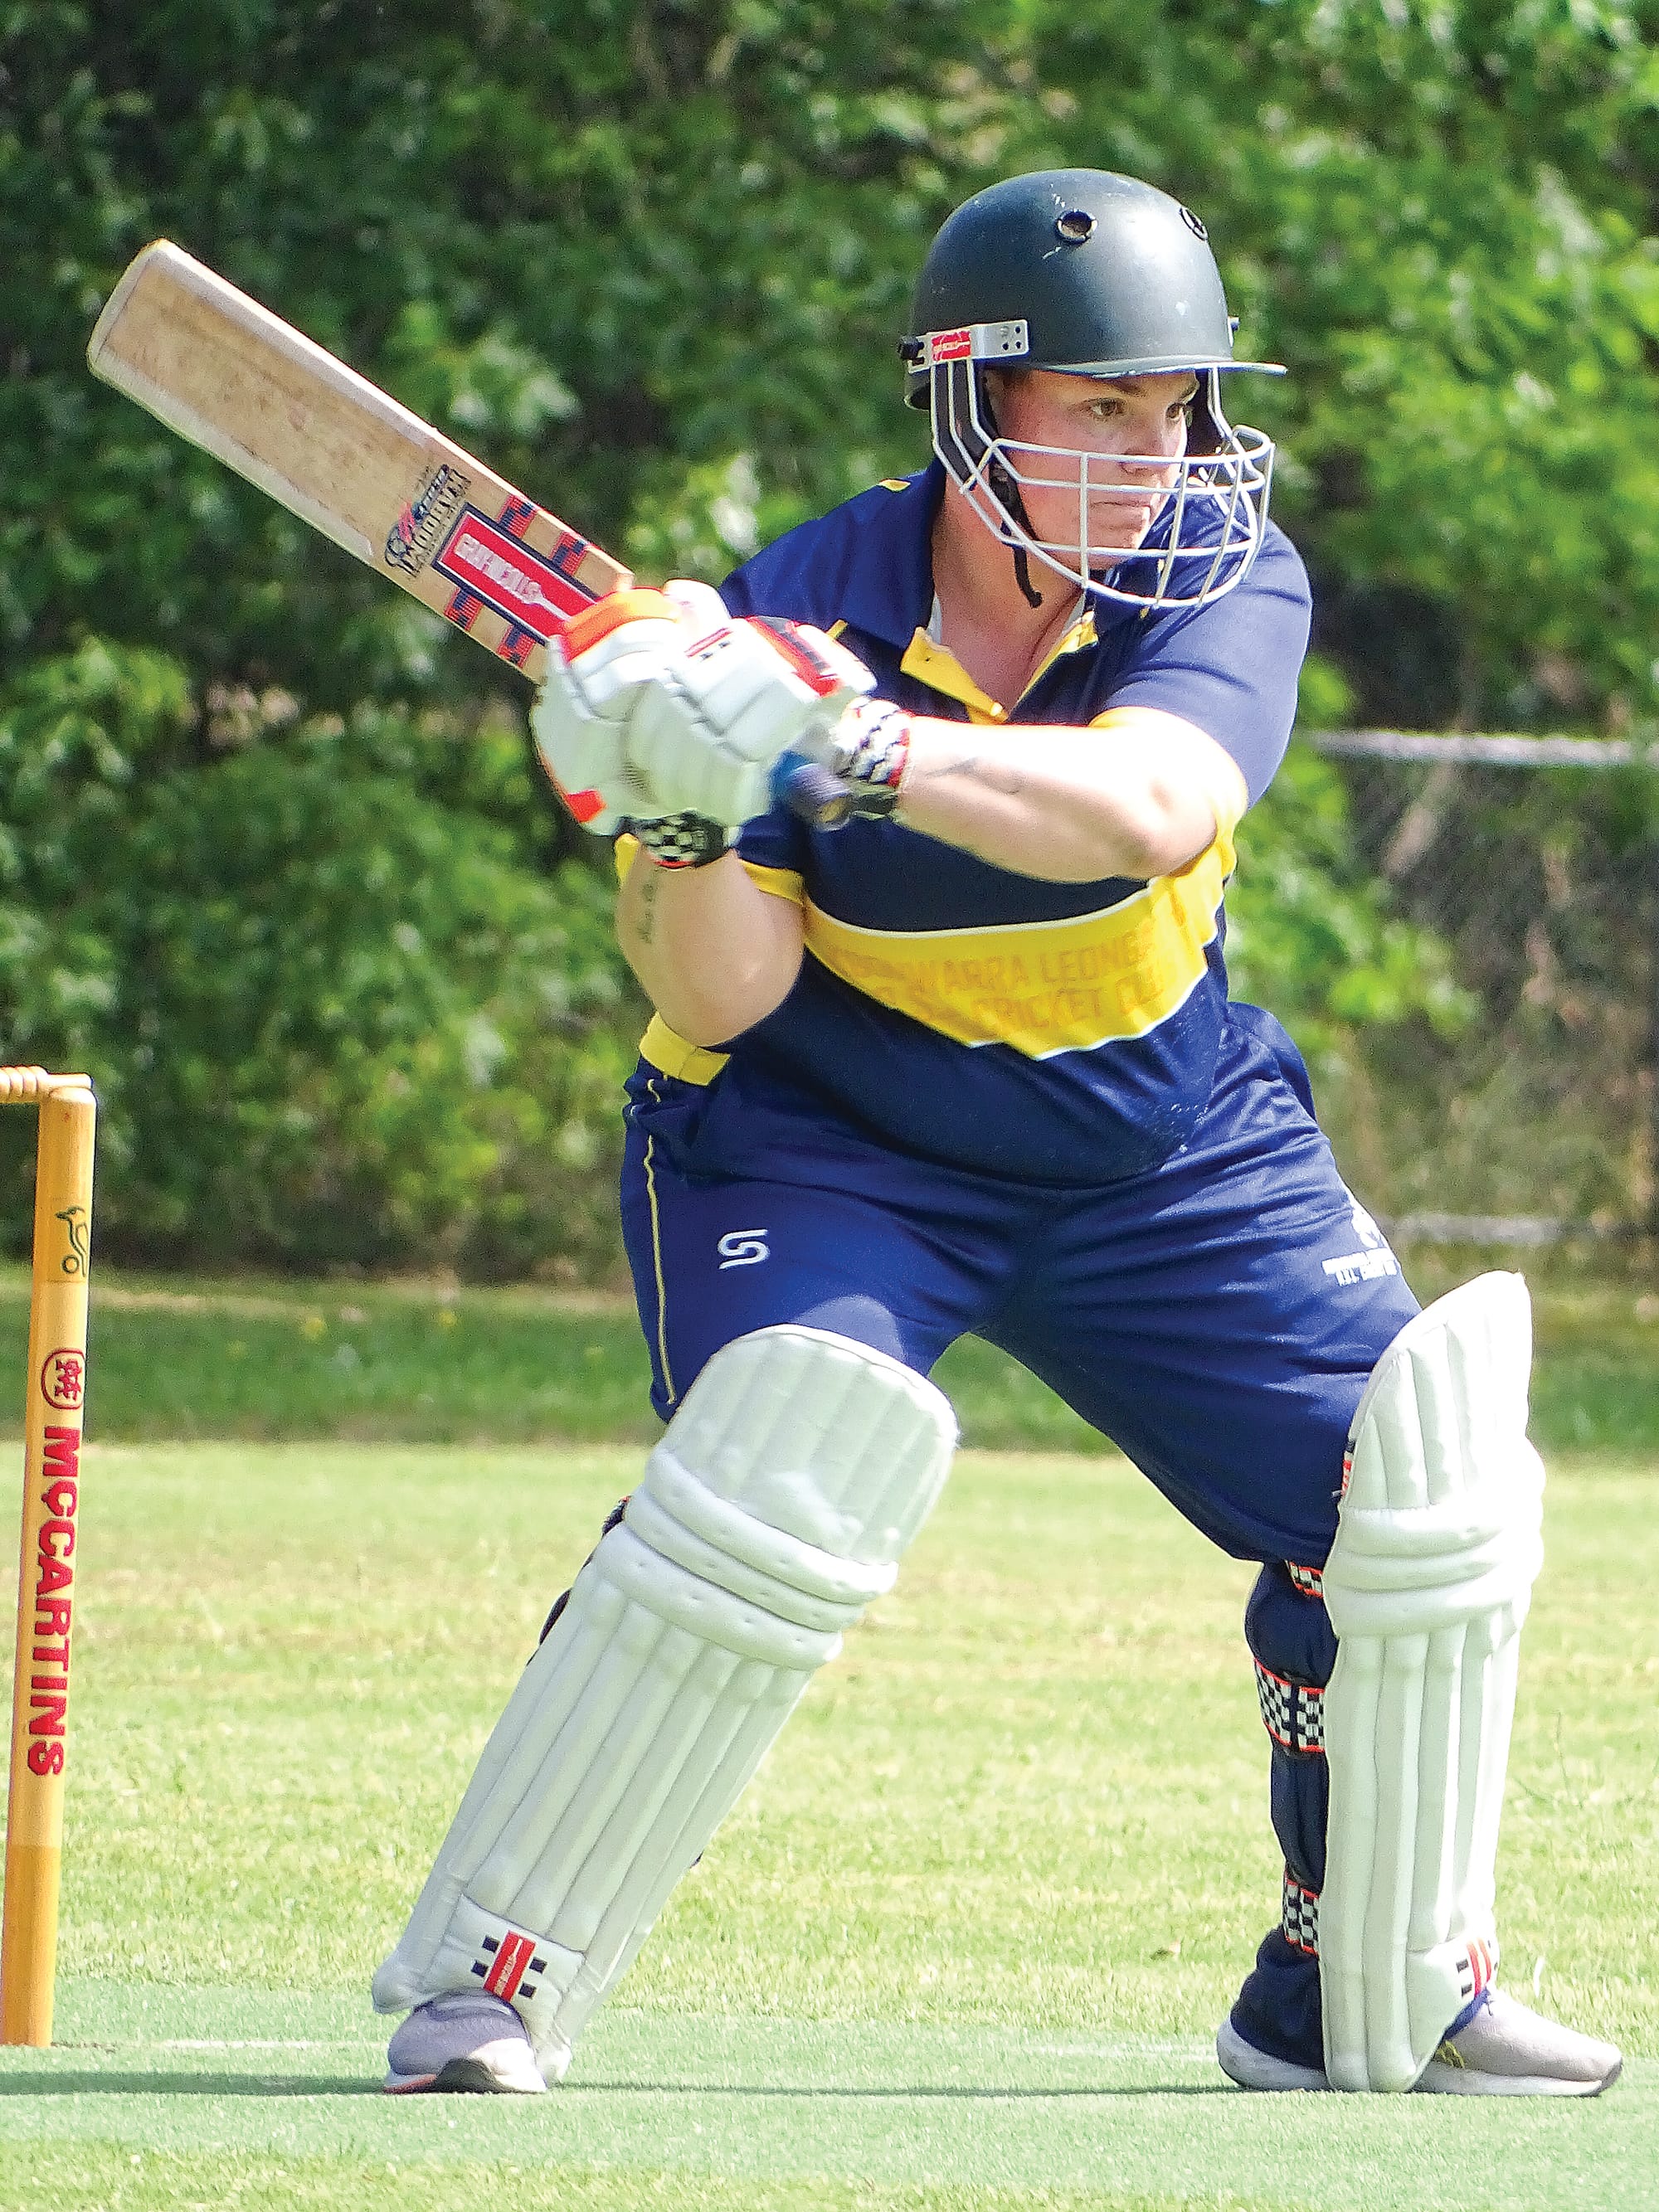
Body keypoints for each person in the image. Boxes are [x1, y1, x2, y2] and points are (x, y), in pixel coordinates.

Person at [372, 169, 1621, 2099]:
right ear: (971, 411)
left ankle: (1366, 1982)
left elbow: (1149, 808)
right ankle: (489, 1976)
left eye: (1181, 408)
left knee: (1415, 1483)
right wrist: (685, 797)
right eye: (1105, 411)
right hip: (827, 1130)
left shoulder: (1227, 576)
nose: (1160, 455)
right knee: (783, 1454)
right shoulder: (800, 603)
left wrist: (841, 744)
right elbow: (725, 996)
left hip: (1162, 1135)